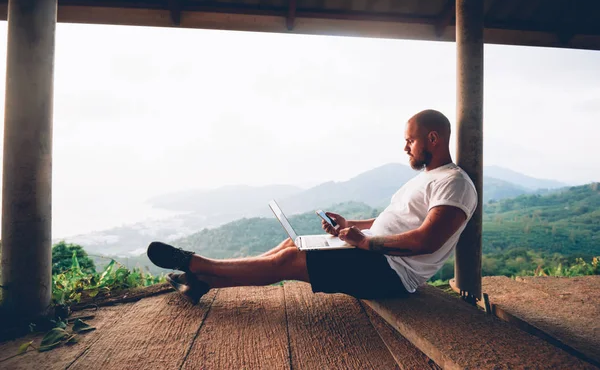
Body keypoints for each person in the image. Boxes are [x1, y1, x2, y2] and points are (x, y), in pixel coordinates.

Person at [147, 109, 478, 304]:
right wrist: (354, 225)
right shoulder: (428, 178)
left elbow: (426, 240)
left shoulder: (455, 183)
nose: (405, 146)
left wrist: (366, 242)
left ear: (433, 139)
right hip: (374, 255)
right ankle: (201, 282)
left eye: (411, 140)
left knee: (291, 259)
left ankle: (197, 264)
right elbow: (394, 220)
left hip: (392, 274)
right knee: (293, 245)